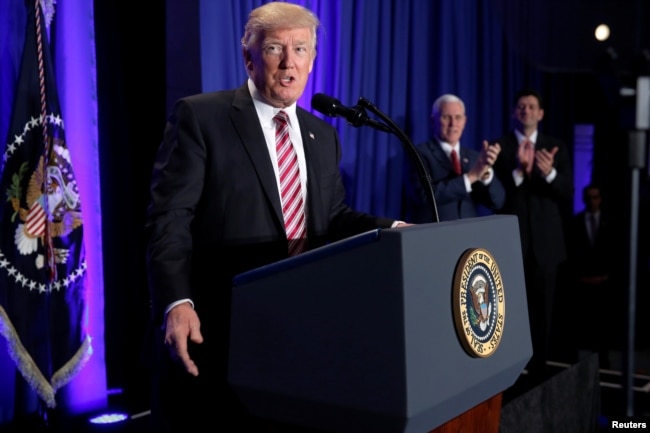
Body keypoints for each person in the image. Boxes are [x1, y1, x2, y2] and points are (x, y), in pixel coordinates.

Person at [144, 3, 408, 432]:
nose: (289, 62)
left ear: (312, 60)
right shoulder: (202, 116)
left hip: (300, 331)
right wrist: (177, 301)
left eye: (300, 49)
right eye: (274, 49)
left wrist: (395, 230)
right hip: (222, 332)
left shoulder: (322, 135)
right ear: (248, 56)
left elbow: (333, 216)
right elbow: (169, 217)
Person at [491, 88, 573, 383]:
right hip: (510, 246)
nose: (526, 110)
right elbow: (492, 196)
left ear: (541, 114)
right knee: (507, 313)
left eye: (532, 106)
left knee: (543, 314)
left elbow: (568, 191)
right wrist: (517, 172)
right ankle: (508, 374)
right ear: (515, 112)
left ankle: (539, 373)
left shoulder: (556, 147)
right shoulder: (500, 147)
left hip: (546, 247)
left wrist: (548, 173)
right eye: (521, 106)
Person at [404, 94, 505, 223]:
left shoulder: (475, 157)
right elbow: (422, 197)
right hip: (433, 236)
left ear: (465, 121)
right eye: (446, 117)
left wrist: (485, 174)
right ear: (433, 120)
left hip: (469, 237)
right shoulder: (418, 154)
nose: (453, 124)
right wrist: (471, 177)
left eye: (458, 117)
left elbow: (498, 202)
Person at [566, 183, 615, 367]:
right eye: (589, 197)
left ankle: (604, 362)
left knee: (602, 328)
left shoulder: (610, 221)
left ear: (600, 199)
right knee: (582, 329)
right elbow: (572, 253)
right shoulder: (575, 222)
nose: (592, 201)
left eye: (596, 197)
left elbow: (615, 253)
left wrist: (606, 277)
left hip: (604, 284)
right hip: (581, 284)